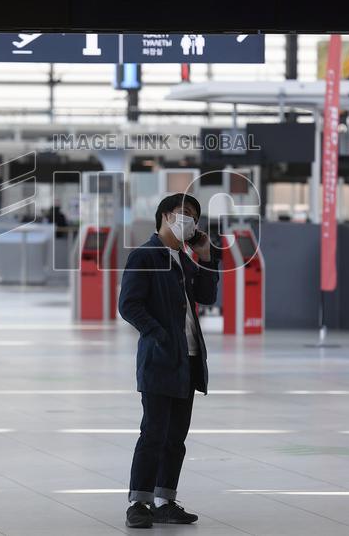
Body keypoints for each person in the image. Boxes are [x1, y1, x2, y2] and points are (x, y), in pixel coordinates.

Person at [118, 192, 220, 529]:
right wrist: (158, 334)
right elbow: (129, 304)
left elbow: (206, 297)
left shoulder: (184, 258)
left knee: (176, 437)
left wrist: (206, 257)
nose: (185, 218)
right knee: (154, 433)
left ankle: (165, 499)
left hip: (188, 360)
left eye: (191, 214)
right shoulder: (146, 255)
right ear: (163, 216)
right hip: (161, 359)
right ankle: (139, 502)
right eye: (180, 212)